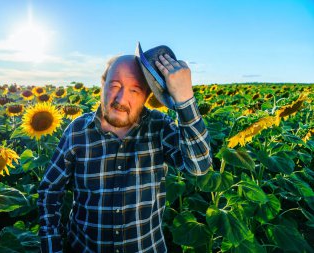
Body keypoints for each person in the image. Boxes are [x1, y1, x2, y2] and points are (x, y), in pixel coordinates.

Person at [37, 43, 212, 253]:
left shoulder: (158, 127)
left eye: (135, 90)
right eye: (115, 86)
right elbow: (50, 191)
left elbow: (199, 165)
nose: (121, 99)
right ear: (103, 84)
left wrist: (184, 98)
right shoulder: (77, 132)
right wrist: (52, 247)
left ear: (146, 97)